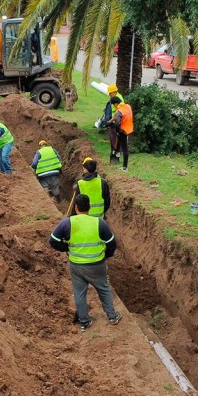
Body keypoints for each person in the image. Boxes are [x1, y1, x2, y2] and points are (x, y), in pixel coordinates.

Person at [49, 193, 122, 331]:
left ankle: (84, 321)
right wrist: (106, 255)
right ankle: (112, 316)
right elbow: (112, 243)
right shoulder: (99, 223)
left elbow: (53, 240)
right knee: (103, 288)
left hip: (76, 265)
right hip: (97, 265)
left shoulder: (66, 223)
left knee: (79, 292)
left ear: (76, 208)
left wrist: (66, 248)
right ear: (89, 208)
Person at [106, 95, 134, 171]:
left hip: (123, 130)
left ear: (116, 103)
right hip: (128, 129)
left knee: (125, 149)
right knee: (121, 144)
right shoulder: (127, 106)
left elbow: (117, 122)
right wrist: (109, 122)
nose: (114, 106)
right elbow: (116, 116)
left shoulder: (120, 111)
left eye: (113, 105)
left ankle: (125, 167)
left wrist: (117, 130)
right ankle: (117, 152)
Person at [98, 84, 124, 163]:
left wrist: (109, 122)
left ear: (114, 92)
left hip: (116, 122)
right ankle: (114, 152)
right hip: (114, 121)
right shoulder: (115, 98)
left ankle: (115, 154)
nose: (109, 94)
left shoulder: (118, 99)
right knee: (113, 138)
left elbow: (117, 114)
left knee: (115, 139)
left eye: (110, 93)